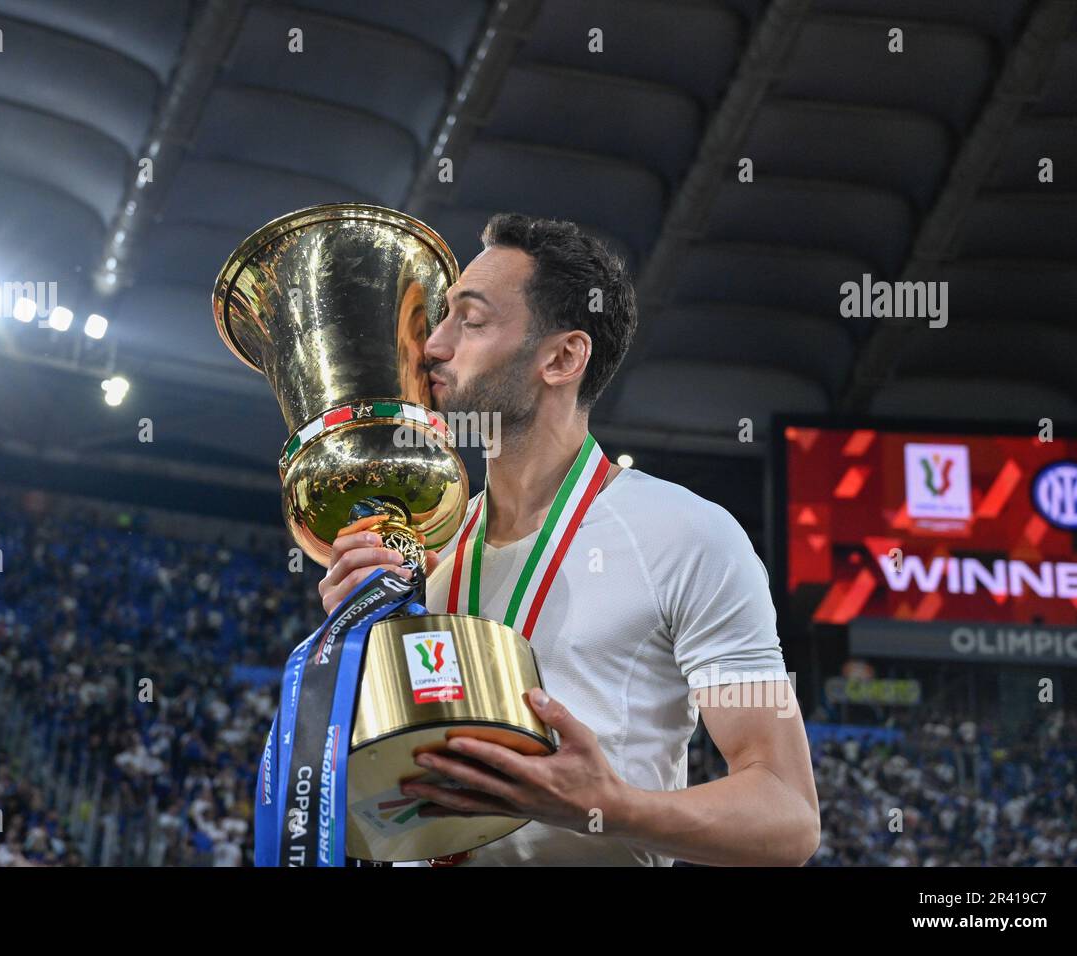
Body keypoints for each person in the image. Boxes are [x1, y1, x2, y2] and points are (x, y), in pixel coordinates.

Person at [319, 213, 819, 866]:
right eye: (441, 319)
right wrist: (354, 637)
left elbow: (788, 816)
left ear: (561, 357)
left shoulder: (689, 537)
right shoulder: (423, 560)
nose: (430, 346)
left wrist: (609, 806)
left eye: (468, 321)